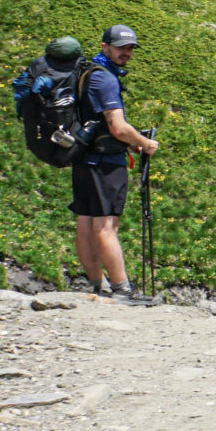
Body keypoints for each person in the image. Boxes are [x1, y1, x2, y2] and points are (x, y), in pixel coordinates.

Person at [73, 24, 158, 299]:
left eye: (131, 47)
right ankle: (122, 290)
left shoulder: (87, 73)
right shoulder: (106, 79)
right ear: (104, 46)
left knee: (86, 222)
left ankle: (99, 285)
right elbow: (117, 127)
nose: (127, 52)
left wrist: (131, 142)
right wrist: (144, 143)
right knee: (106, 225)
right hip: (105, 163)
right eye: (121, 47)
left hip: (84, 158)